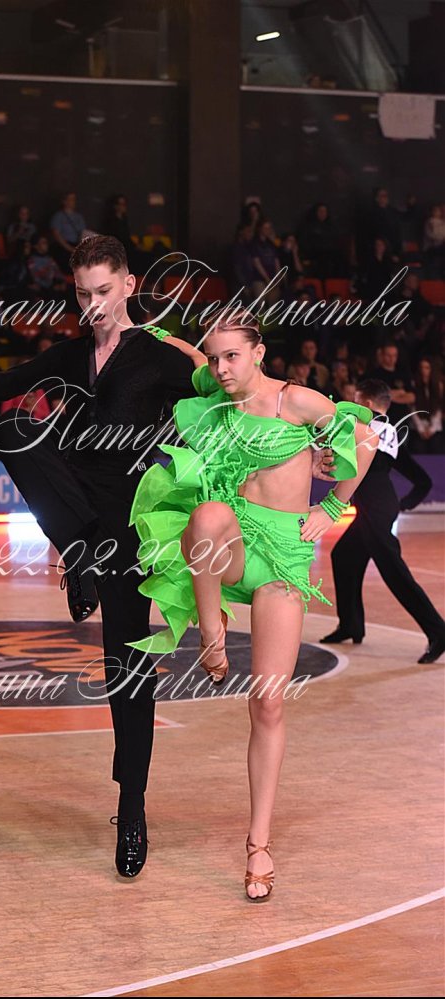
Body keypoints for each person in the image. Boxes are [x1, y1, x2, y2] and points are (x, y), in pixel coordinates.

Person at [0, 234, 204, 879]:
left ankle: (132, 805)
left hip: (132, 522)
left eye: (104, 291)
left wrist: (208, 359)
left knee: (126, 667)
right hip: (78, 509)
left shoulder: (159, 356)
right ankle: (76, 552)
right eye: (83, 293)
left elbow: (225, 384)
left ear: (130, 286)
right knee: (14, 430)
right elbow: (4, 381)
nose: (93, 304)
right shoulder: (68, 355)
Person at [127, 316, 376, 900]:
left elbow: (366, 436)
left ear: (258, 353)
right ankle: (211, 633)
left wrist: (332, 507)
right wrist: (146, 331)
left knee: (266, 703)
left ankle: (259, 843)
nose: (220, 368)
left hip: (285, 554)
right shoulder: (217, 394)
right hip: (233, 541)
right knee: (207, 515)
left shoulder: (295, 401)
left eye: (232, 357)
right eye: (216, 359)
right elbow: (190, 356)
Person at [321, 379, 445, 663]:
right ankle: (351, 625)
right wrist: (402, 505)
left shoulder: (365, 428)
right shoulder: (390, 432)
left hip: (374, 510)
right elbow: (423, 481)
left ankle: (438, 631)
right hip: (379, 507)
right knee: (343, 556)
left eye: (356, 401)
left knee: (395, 574)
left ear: (365, 404)